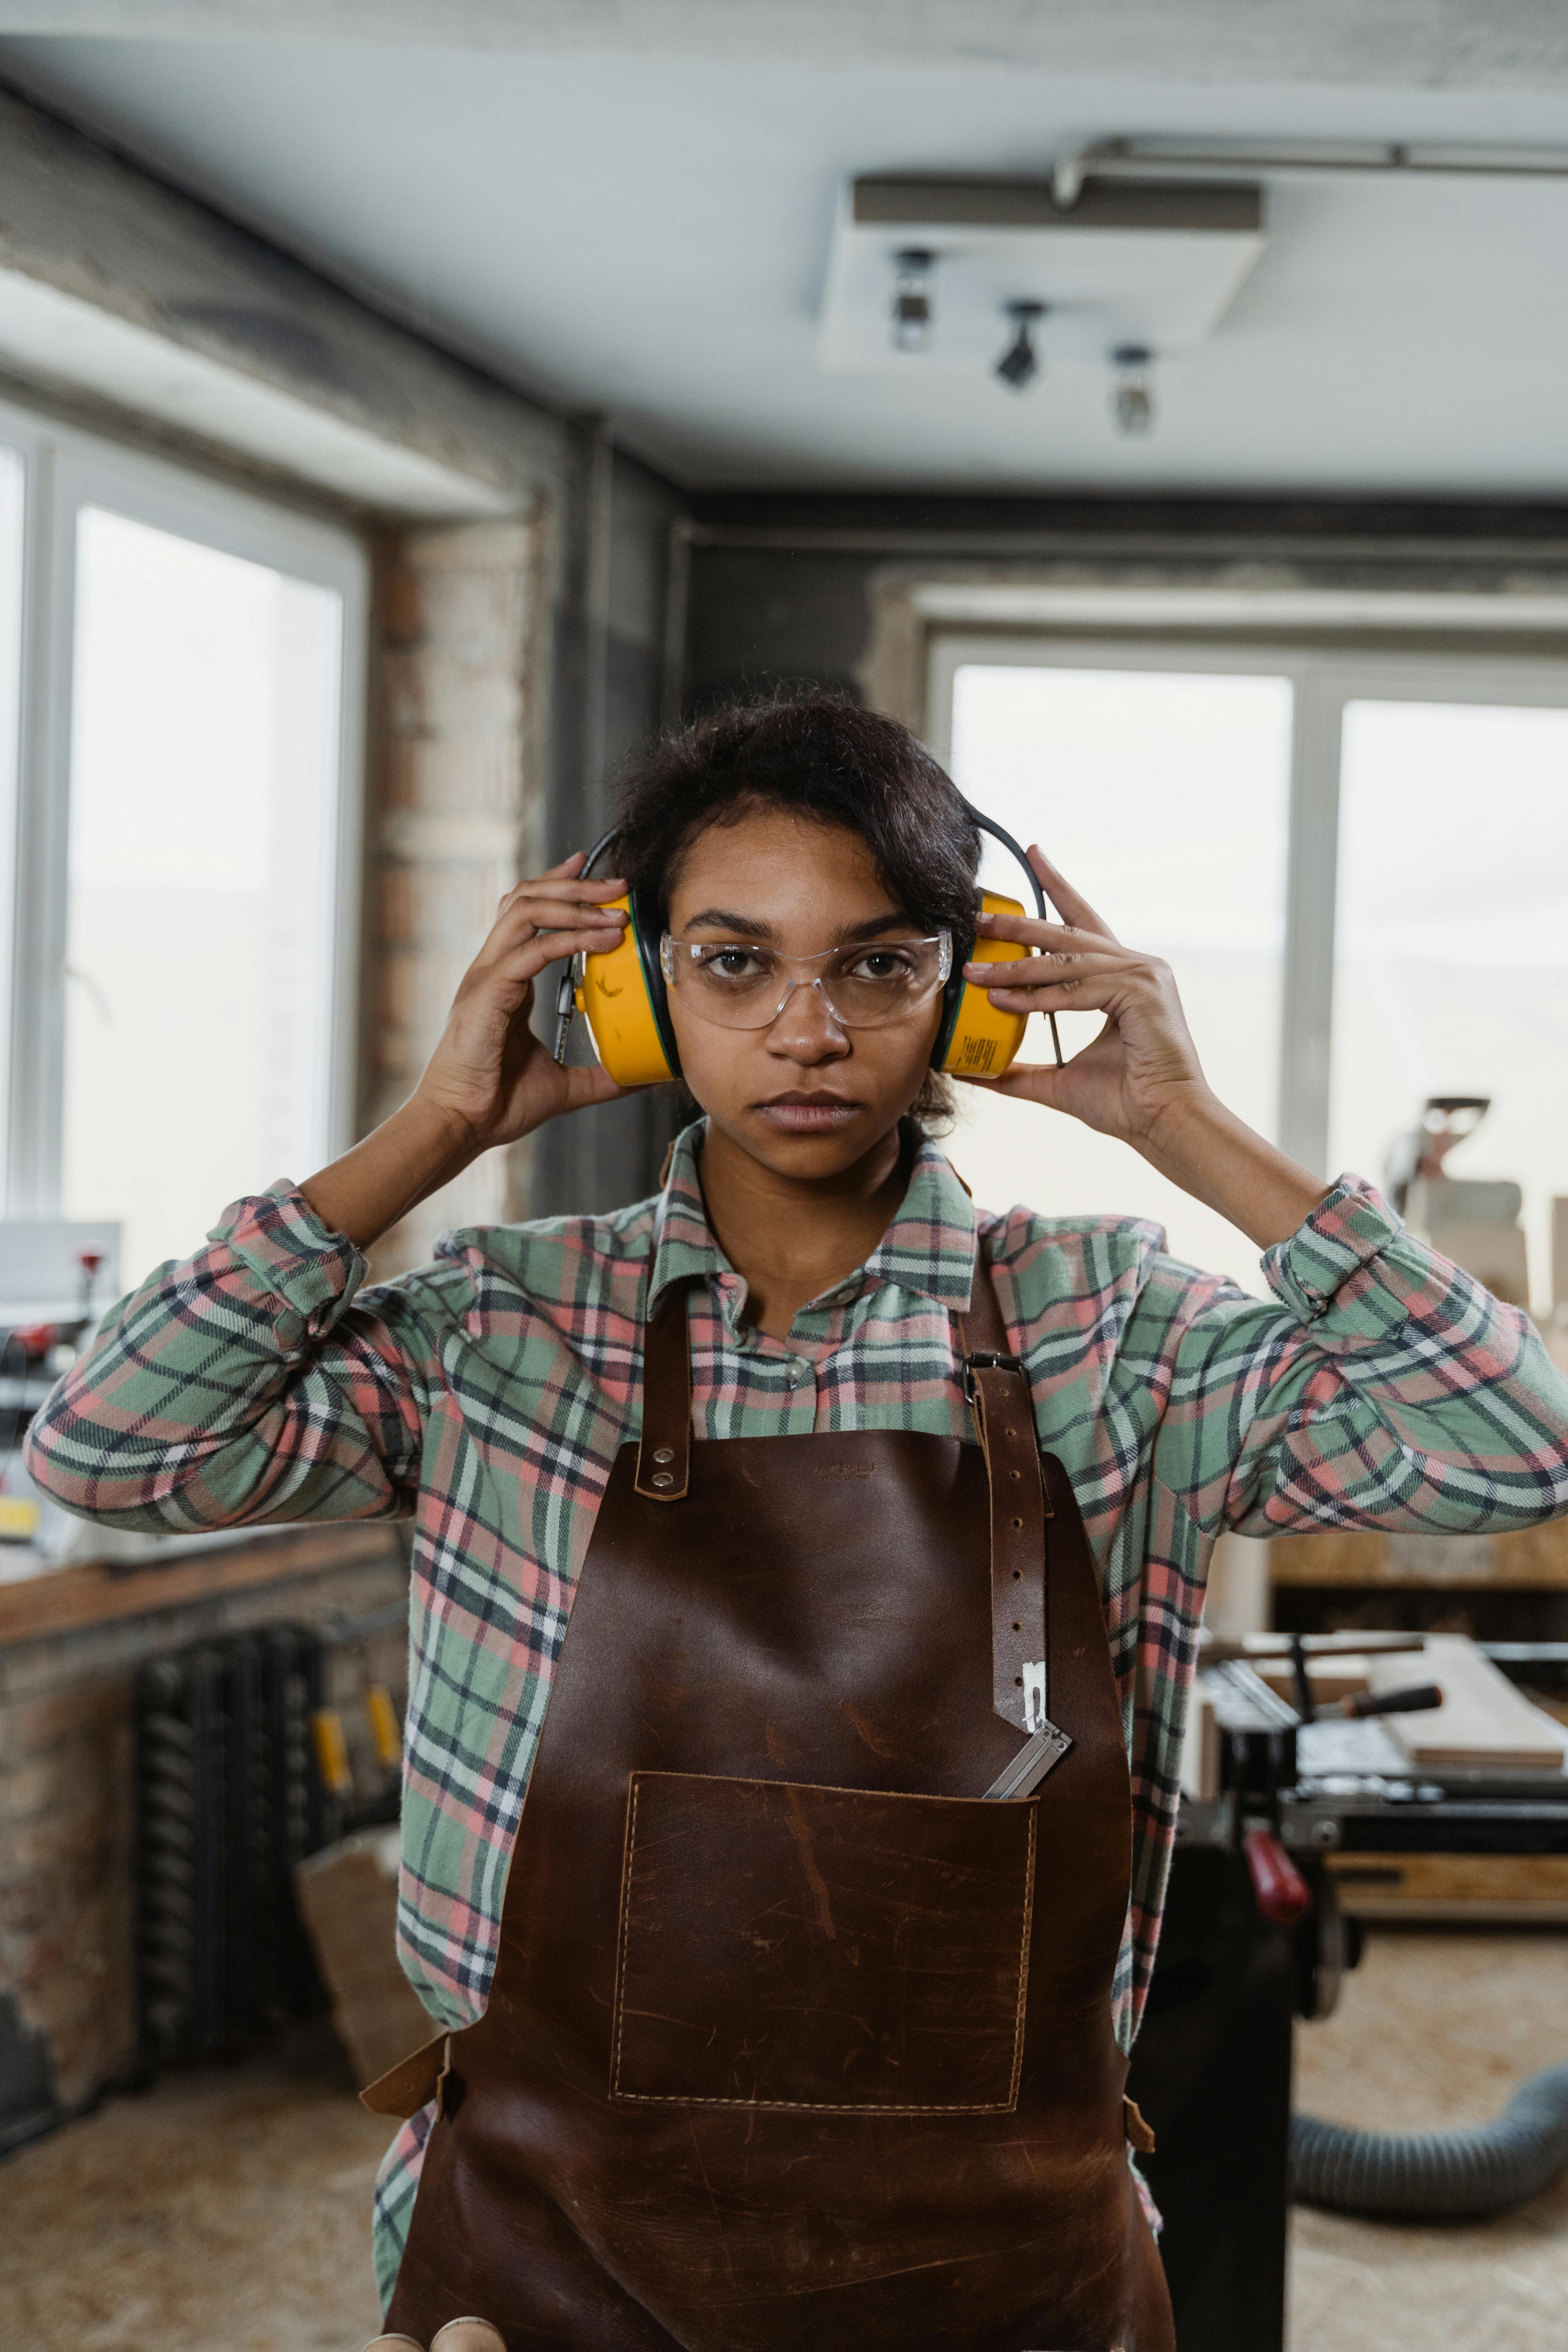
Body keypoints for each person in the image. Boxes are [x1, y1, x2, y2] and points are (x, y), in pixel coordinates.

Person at [27, 694, 1568, 2352]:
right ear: (633, 989)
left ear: (965, 992)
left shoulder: (1114, 1335)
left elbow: (1513, 1452)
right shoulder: (501, 1329)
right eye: (734, 961)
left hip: (997, 2272)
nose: (809, 1030)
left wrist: (1185, 1128)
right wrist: (435, 1134)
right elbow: (113, 1451)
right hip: (546, 2261)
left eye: (879, 964)